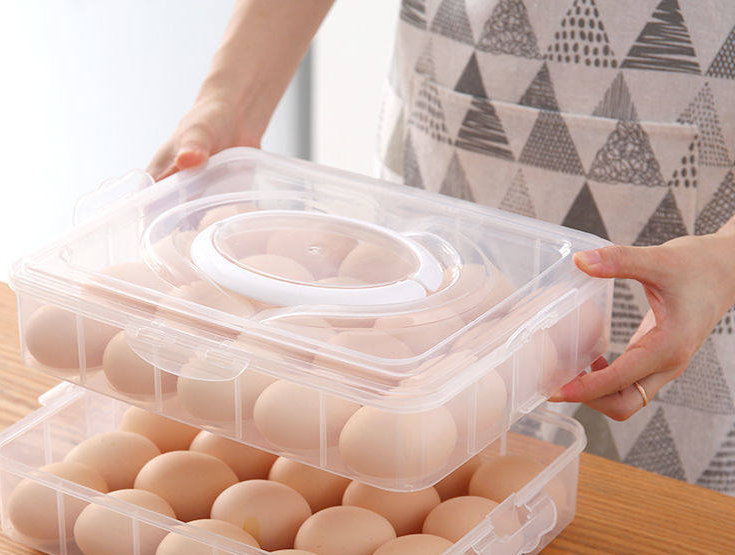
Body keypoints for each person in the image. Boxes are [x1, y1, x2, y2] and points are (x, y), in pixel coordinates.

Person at [148, 0, 735, 494]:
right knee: (378, 433)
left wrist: (724, 261)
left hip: (688, 267)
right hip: (440, 156)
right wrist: (231, 99)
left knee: (643, 523)